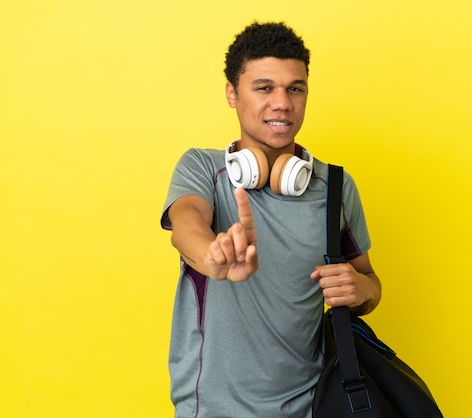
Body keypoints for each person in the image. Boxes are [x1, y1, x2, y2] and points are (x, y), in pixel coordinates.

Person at [161, 21, 382, 418]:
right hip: (210, 411)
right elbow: (187, 224)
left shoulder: (335, 186)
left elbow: (371, 286)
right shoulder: (202, 168)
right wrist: (213, 256)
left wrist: (360, 288)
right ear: (232, 93)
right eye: (264, 88)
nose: (282, 103)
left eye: (294, 88)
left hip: (311, 409)